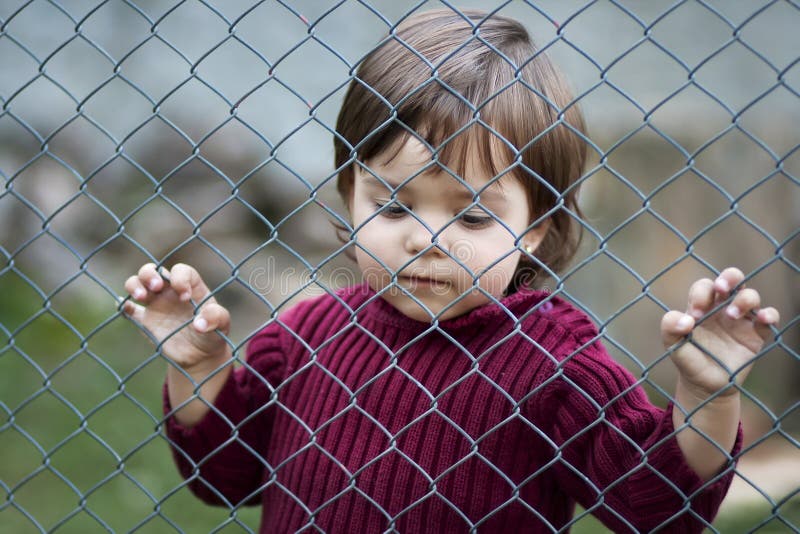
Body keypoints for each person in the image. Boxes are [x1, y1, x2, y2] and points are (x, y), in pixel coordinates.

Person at [123, 8, 780, 533]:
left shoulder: (558, 365)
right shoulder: (307, 335)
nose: (425, 240)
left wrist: (707, 397)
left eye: (471, 218)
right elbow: (221, 476)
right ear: (349, 196)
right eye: (392, 204)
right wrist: (199, 368)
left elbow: (655, 508)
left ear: (536, 228)